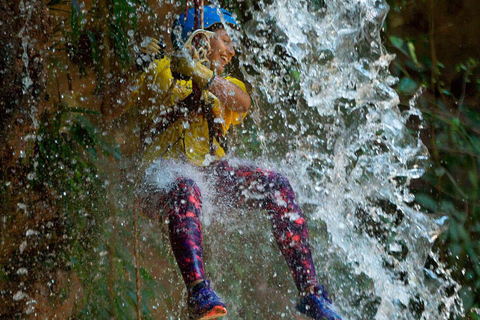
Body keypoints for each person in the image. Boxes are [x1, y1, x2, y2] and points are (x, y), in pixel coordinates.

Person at [128, 5, 342, 320]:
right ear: (201, 37)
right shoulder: (163, 69)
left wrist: (203, 75)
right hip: (160, 180)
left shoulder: (226, 84)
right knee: (186, 186)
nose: (231, 50)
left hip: (207, 179)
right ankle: (199, 291)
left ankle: (311, 294)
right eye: (226, 41)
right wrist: (139, 67)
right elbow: (111, 106)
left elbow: (241, 101)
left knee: (277, 186)